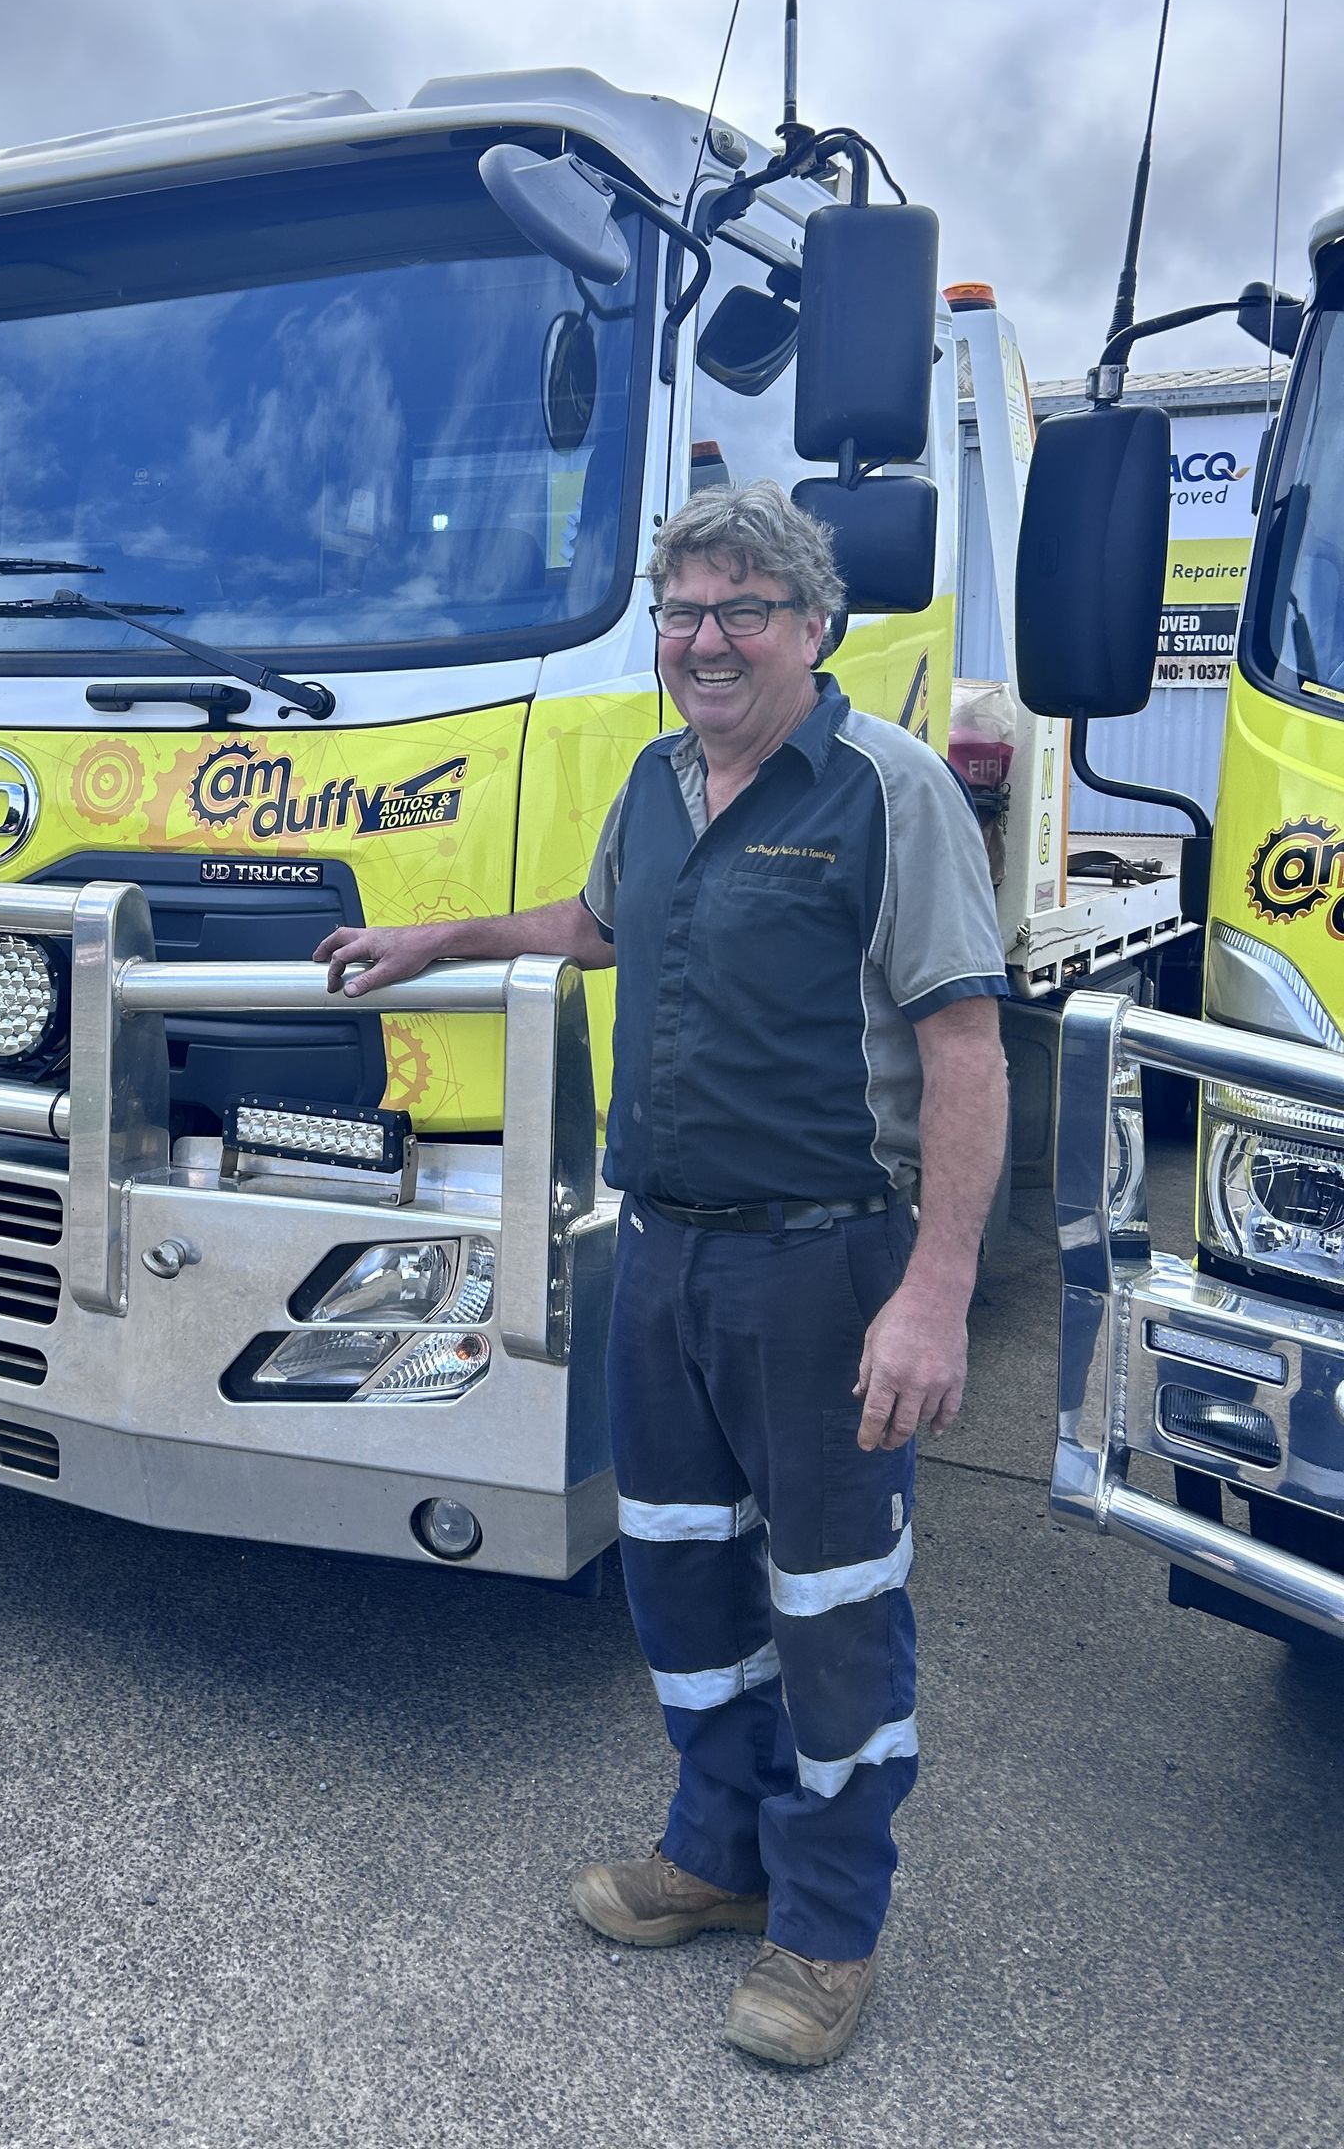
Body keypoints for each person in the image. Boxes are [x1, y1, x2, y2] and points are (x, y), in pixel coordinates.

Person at [313, 480, 1009, 2068]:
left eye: (741, 610)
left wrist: (936, 1293)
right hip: (669, 1248)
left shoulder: (885, 792)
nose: (705, 638)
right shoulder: (656, 778)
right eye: (683, 609)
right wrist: (443, 939)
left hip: (829, 1262)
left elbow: (966, 1046)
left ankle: (828, 1925)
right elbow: (601, 921)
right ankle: (719, 1855)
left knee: (832, 1603)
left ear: (811, 630)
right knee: (682, 1570)